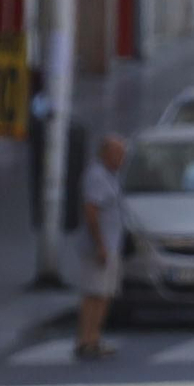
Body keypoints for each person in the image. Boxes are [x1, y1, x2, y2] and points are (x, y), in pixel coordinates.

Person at [75, 134, 127, 361]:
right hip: (100, 247)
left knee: (103, 294)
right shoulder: (97, 176)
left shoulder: (110, 176)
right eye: (118, 154)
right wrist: (100, 245)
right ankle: (87, 339)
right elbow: (91, 211)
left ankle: (93, 338)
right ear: (105, 153)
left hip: (109, 244)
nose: (121, 159)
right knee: (95, 293)